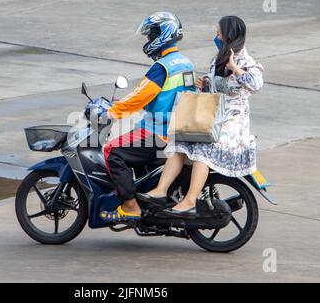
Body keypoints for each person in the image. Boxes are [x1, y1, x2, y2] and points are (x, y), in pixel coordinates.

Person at [146, 15, 264, 216]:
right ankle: (160, 190)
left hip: (233, 122)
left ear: (229, 35)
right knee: (179, 141)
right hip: (213, 116)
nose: (216, 36)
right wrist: (206, 84)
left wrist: (235, 69)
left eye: (218, 33)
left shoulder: (246, 61)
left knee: (203, 149)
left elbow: (256, 84)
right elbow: (216, 91)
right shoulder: (217, 59)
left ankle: (190, 200)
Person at [100, 12, 196, 223]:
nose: (149, 40)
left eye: (151, 34)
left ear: (163, 34)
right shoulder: (186, 63)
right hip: (177, 131)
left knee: (112, 150)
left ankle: (130, 205)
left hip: (157, 132)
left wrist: (112, 111)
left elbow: (140, 97)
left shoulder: (162, 67)